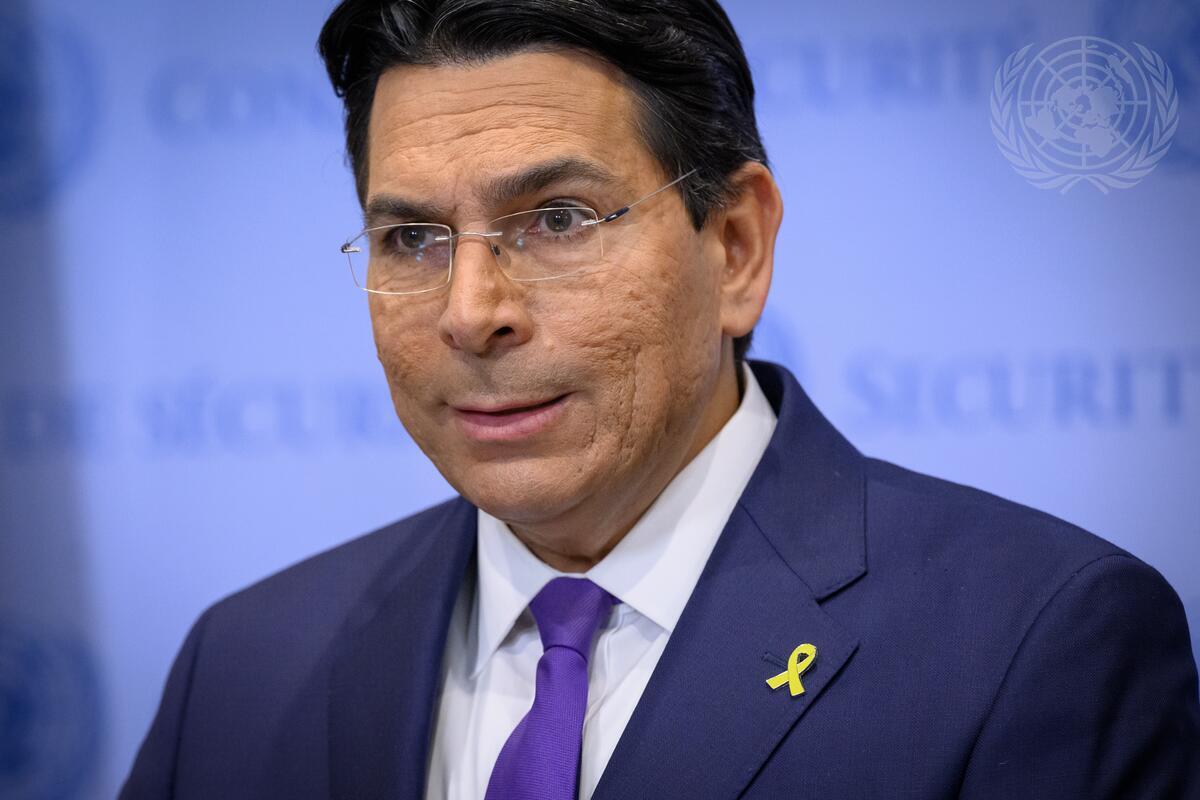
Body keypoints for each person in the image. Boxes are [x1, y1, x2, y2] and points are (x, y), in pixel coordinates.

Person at [121, 1, 1200, 797]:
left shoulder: (1035, 641)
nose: (471, 312)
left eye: (557, 219)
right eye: (412, 237)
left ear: (735, 247)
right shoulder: (245, 662)